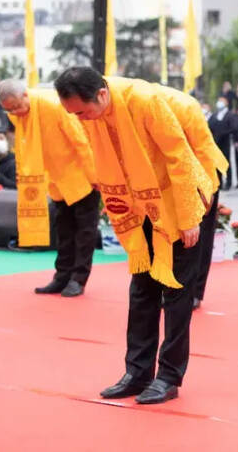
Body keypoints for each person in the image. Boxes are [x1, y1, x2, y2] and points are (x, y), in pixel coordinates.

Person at [54, 67, 214, 404]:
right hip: (140, 204)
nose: (81, 121)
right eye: (74, 115)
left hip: (178, 202)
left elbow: (180, 157)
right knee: (141, 289)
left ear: (100, 94)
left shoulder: (145, 100)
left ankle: (169, 376)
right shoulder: (96, 117)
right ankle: (137, 372)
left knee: (176, 291)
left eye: (82, 113)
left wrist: (187, 217)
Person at [0, 80, 99, 298]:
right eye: (8, 109)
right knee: (64, 231)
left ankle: (78, 279)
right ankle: (61, 277)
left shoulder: (54, 106)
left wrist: (94, 177)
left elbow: (80, 141)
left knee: (85, 232)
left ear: (25, 94)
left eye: (16, 106)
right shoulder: (18, 113)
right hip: (56, 179)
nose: (14, 113)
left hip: (81, 176)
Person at [153, 83, 229, 311]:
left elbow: (203, 151)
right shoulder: (142, 111)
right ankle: (170, 285)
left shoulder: (184, 108)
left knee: (199, 234)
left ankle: (194, 291)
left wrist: (206, 194)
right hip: (171, 172)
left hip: (202, 170)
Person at [208, 97, 237, 190]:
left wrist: (223, 133)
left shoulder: (230, 115)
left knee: (226, 163)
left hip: (225, 142)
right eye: (219, 101)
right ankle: (218, 182)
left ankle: (228, 182)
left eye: (222, 101)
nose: (219, 103)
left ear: (226, 103)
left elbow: (233, 128)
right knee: (217, 163)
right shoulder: (215, 115)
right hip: (215, 143)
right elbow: (209, 125)